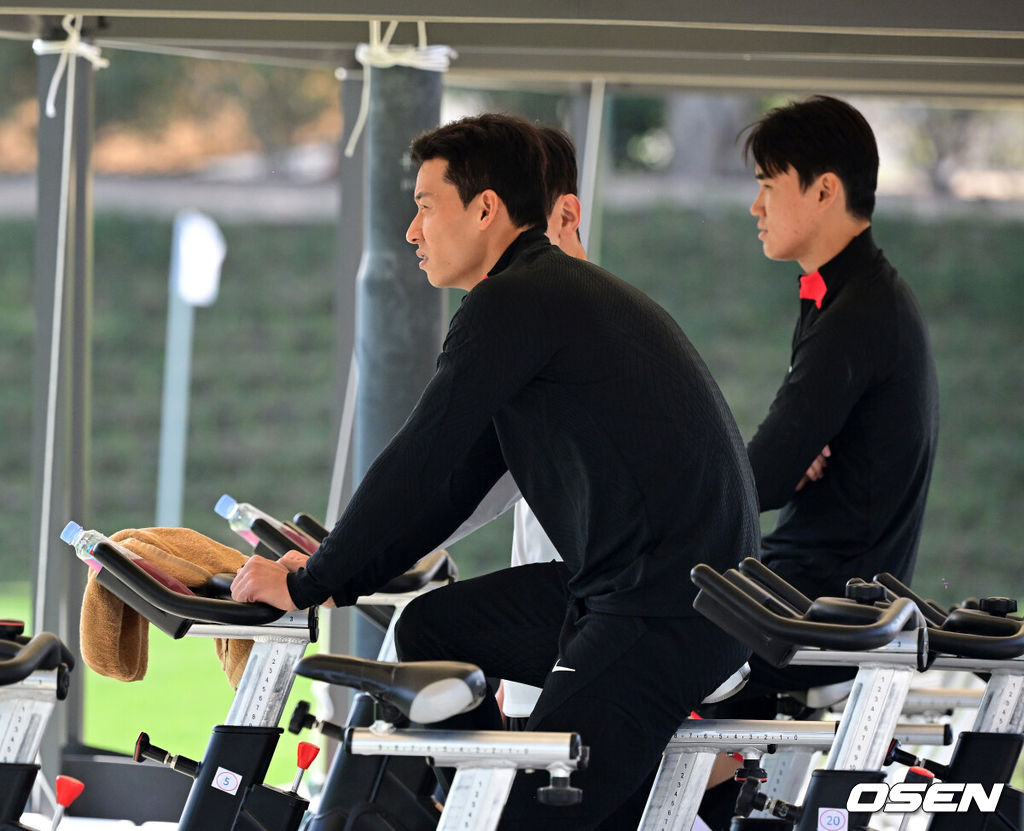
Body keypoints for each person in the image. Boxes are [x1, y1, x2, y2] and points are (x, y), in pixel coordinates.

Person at [232, 112, 760, 829]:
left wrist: (309, 582)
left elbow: (422, 457)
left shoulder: (516, 299)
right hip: (623, 589)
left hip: (661, 609)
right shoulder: (540, 297)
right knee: (430, 631)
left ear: (486, 210)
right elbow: (453, 483)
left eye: (424, 207)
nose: (412, 231)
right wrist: (342, 566)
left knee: (537, 817)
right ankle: (471, 803)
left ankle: (507, 810)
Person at [699, 95, 940, 828]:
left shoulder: (859, 311)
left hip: (815, 598)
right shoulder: (848, 297)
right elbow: (783, 459)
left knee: (625, 660)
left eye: (770, 184)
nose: (755, 206)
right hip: (804, 579)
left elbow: (764, 472)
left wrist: (712, 484)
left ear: (825, 190)